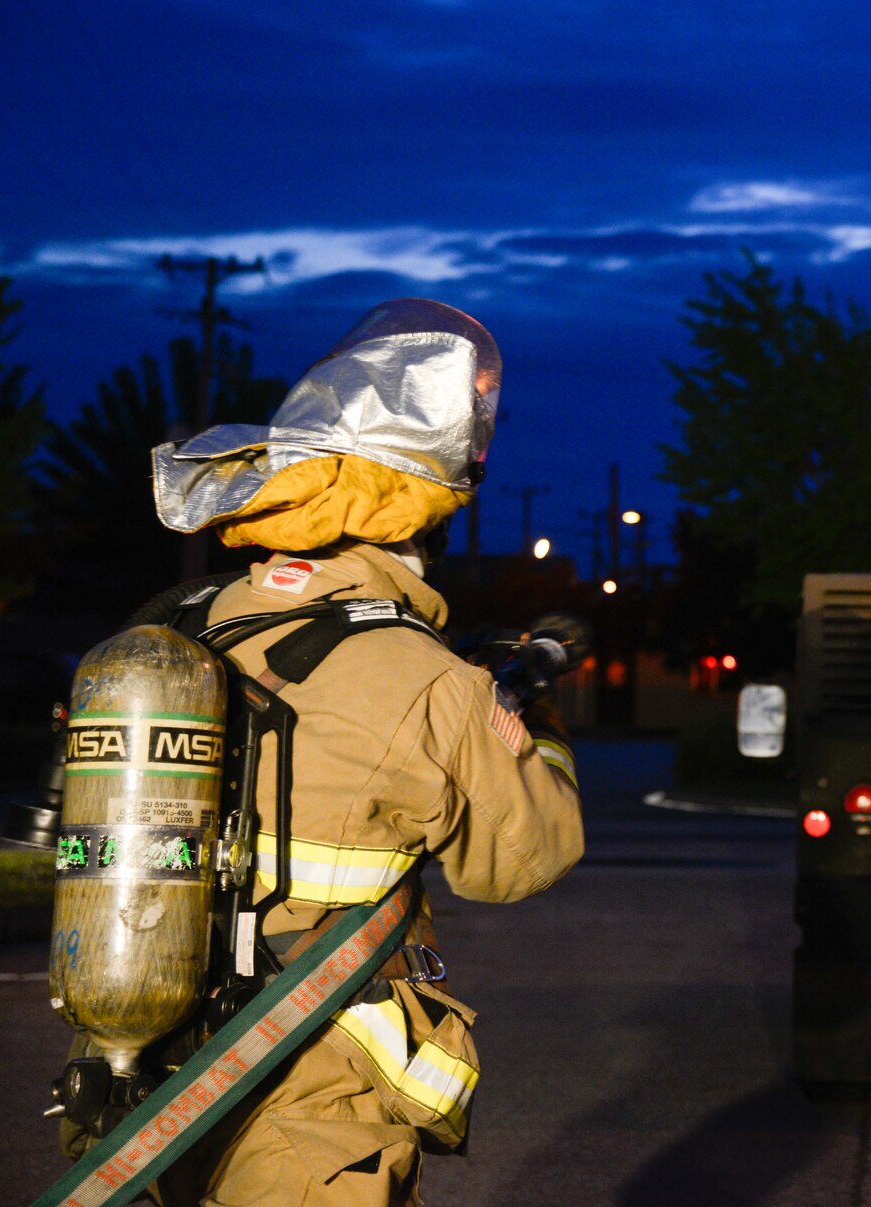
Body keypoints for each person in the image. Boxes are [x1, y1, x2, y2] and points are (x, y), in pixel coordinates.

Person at [73, 298, 584, 1204]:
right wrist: (533, 718)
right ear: (421, 515)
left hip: (141, 1087)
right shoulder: (429, 679)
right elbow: (524, 858)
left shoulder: (184, 628)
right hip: (309, 1106)